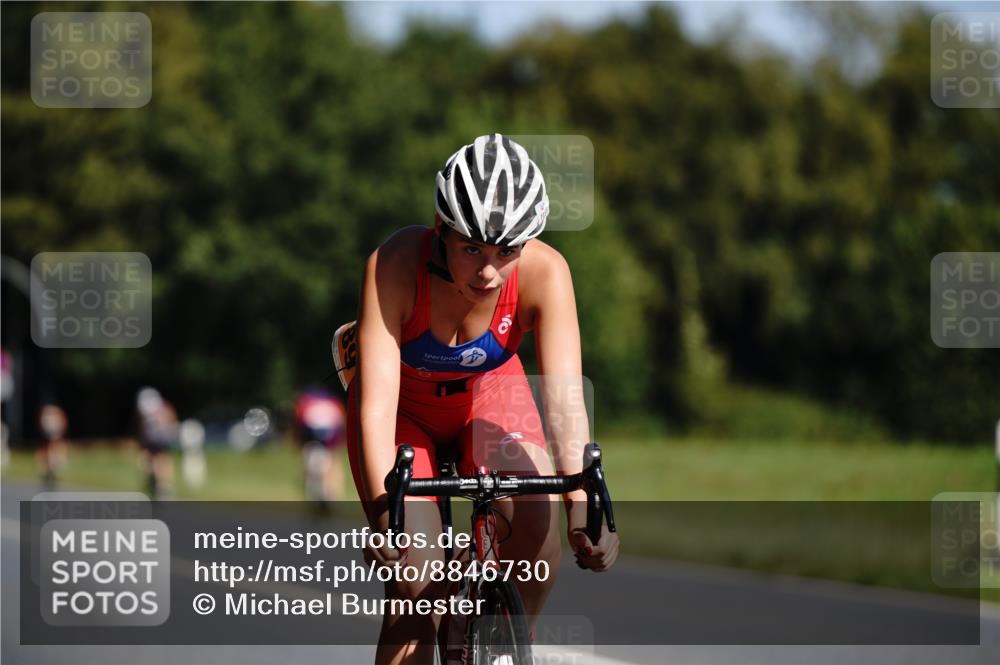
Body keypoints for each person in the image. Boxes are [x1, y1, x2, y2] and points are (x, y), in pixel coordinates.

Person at [339, 134, 620, 664]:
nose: (489, 272)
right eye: (472, 249)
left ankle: (506, 646)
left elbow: (564, 404)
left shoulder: (547, 273)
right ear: (441, 230)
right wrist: (387, 523)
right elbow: (376, 406)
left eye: (507, 252)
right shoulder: (395, 264)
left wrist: (585, 511)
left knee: (539, 529)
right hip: (404, 410)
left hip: (490, 392)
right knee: (414, 583)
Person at [292, 386, 347, 506]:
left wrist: (298, 446)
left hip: (311, 440)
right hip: (330, 439)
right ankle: (331, 496)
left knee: (309, 468)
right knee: (333, 464)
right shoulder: (334, 403)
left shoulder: (306, 404)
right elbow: (341, 424)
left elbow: (299, 426)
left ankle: (317, 496)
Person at [134, 386, 178, 499]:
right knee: (154, 459)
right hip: (155, 438)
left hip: (159, 437)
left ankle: (162, 485)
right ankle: (158, 483)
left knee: (159, 459)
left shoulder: (162, 409)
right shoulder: (162, 407)